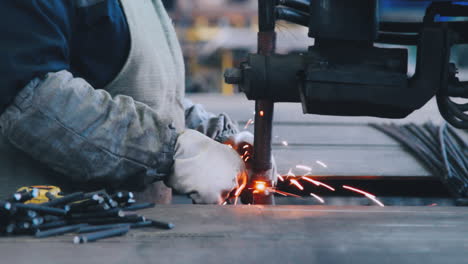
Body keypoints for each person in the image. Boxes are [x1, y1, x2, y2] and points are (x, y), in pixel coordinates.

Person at [0, 0, 274, 204]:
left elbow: (143, 89)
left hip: (127, 236)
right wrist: (169, 152)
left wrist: (214, 137)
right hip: (46, 239)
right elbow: (32, 102)